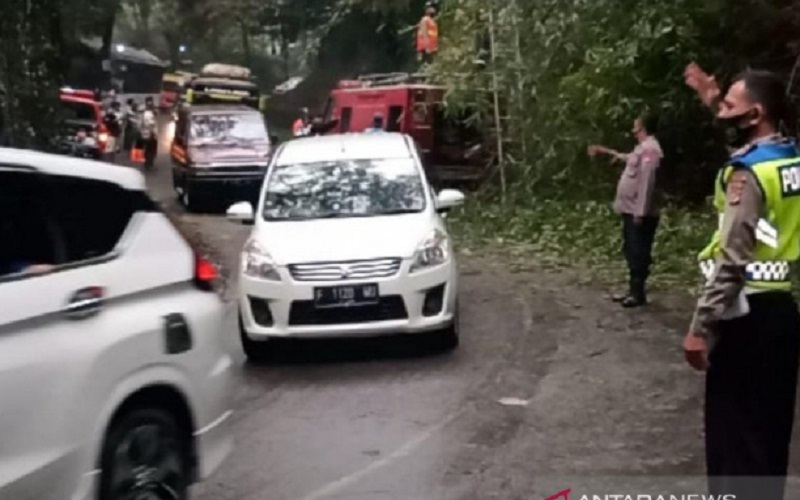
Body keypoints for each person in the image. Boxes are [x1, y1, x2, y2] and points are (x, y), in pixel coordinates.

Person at [683, 63, 800, 500]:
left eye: (729, 107)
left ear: (755, 115)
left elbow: (732, 260)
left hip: (743, 316)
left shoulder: (747, 173)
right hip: (781, 312)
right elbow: (749, 132)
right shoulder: (789, 157)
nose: (721, 114)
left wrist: (700, 327)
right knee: (769, 434)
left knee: (734, 441)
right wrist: (712, 96)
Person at [588, 114, 663, 307]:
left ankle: (638, 293)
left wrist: (640, 211)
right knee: (631, 249)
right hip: (630, 210)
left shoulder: (651, 150)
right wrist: (607, 151)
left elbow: (647, 182)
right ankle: (633, 290)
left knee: (638, 251)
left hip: (639, 212)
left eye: (636, 126)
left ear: (643, 128)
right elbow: (629, 158)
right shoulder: (642, 148)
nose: (633, 130)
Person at [139, 97, 159, 169]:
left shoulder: (150, 112)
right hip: (149, 135)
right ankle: (148, 164)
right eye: (150, 103)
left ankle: (149, 163)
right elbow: (149, 125)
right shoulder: (147, 114)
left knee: (150, 150)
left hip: (149, 134)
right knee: (150, 150)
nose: (152, 105)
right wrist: (152, 134)